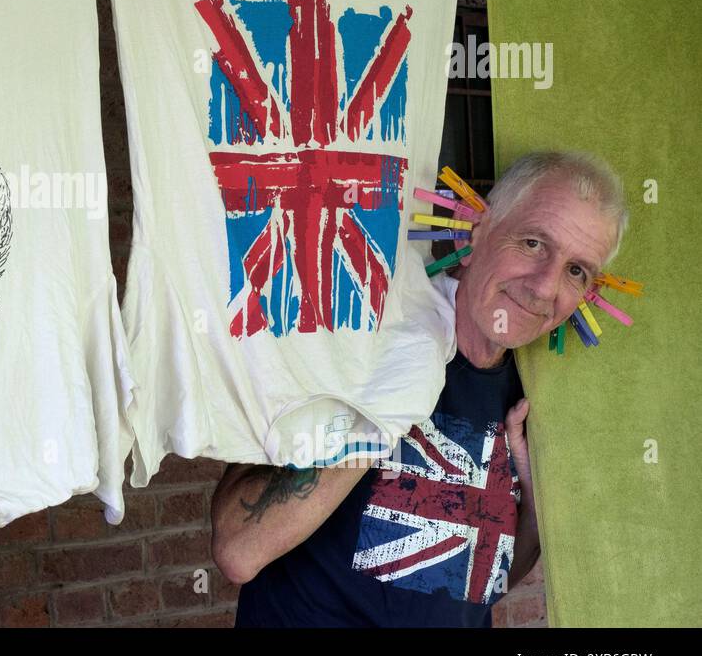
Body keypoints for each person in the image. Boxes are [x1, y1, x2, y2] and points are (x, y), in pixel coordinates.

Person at [213, 151, 628, 626]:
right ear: (477, 234)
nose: (544, 287)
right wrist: (385, 407)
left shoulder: (532, 395)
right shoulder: (355, 339)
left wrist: (533, 494)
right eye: (533, 243)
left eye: (577, 270)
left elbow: (484, 583)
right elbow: (238, 550)